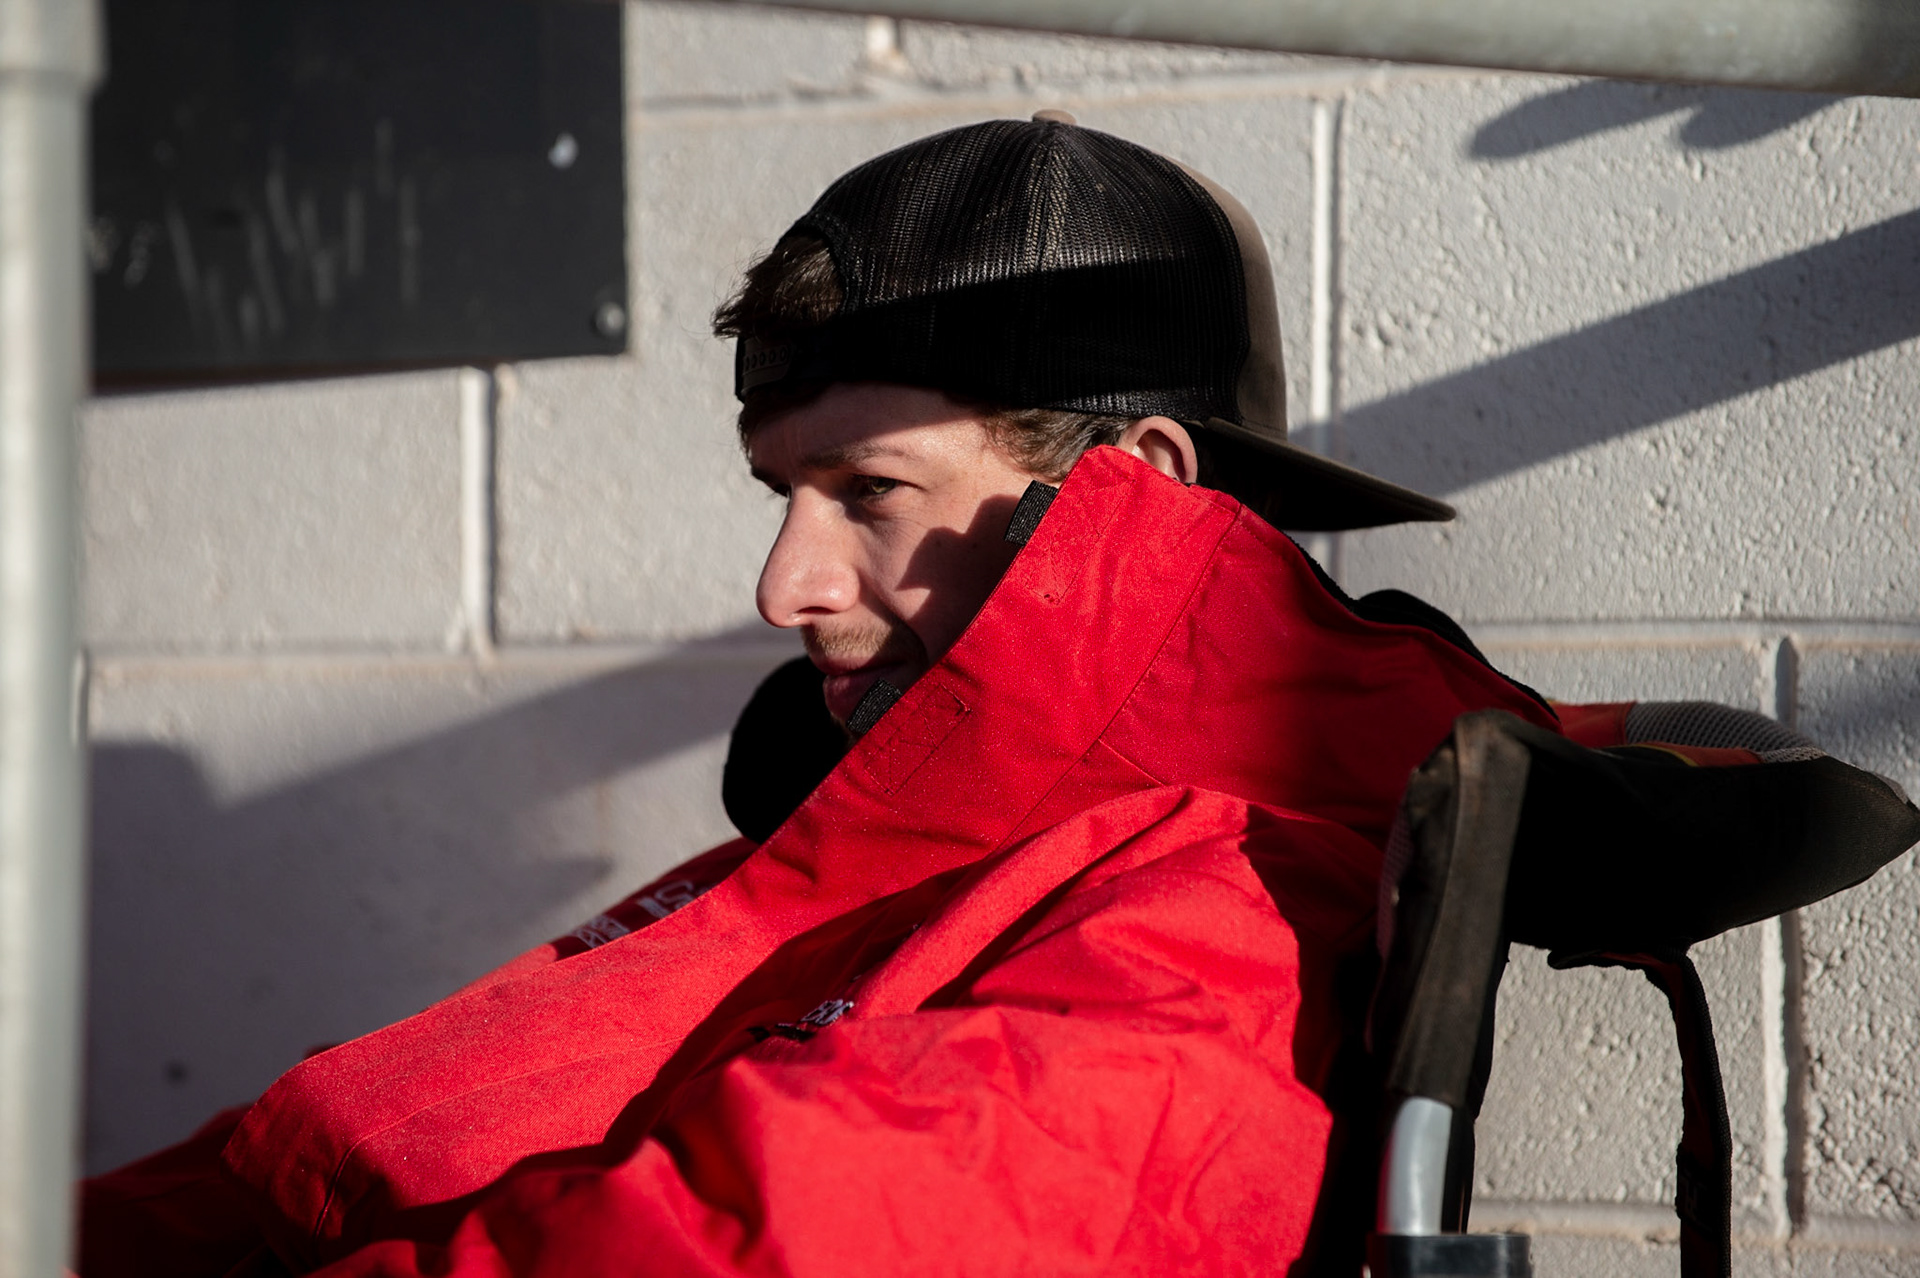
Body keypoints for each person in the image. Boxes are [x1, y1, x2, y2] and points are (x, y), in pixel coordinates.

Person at [78, 115, 1559, 1278]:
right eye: (786, 492)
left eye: (872, 491)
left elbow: (789, 1240)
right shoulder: (893, 822)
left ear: (1136, 499)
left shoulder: (1233, 898)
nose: (787, 584)